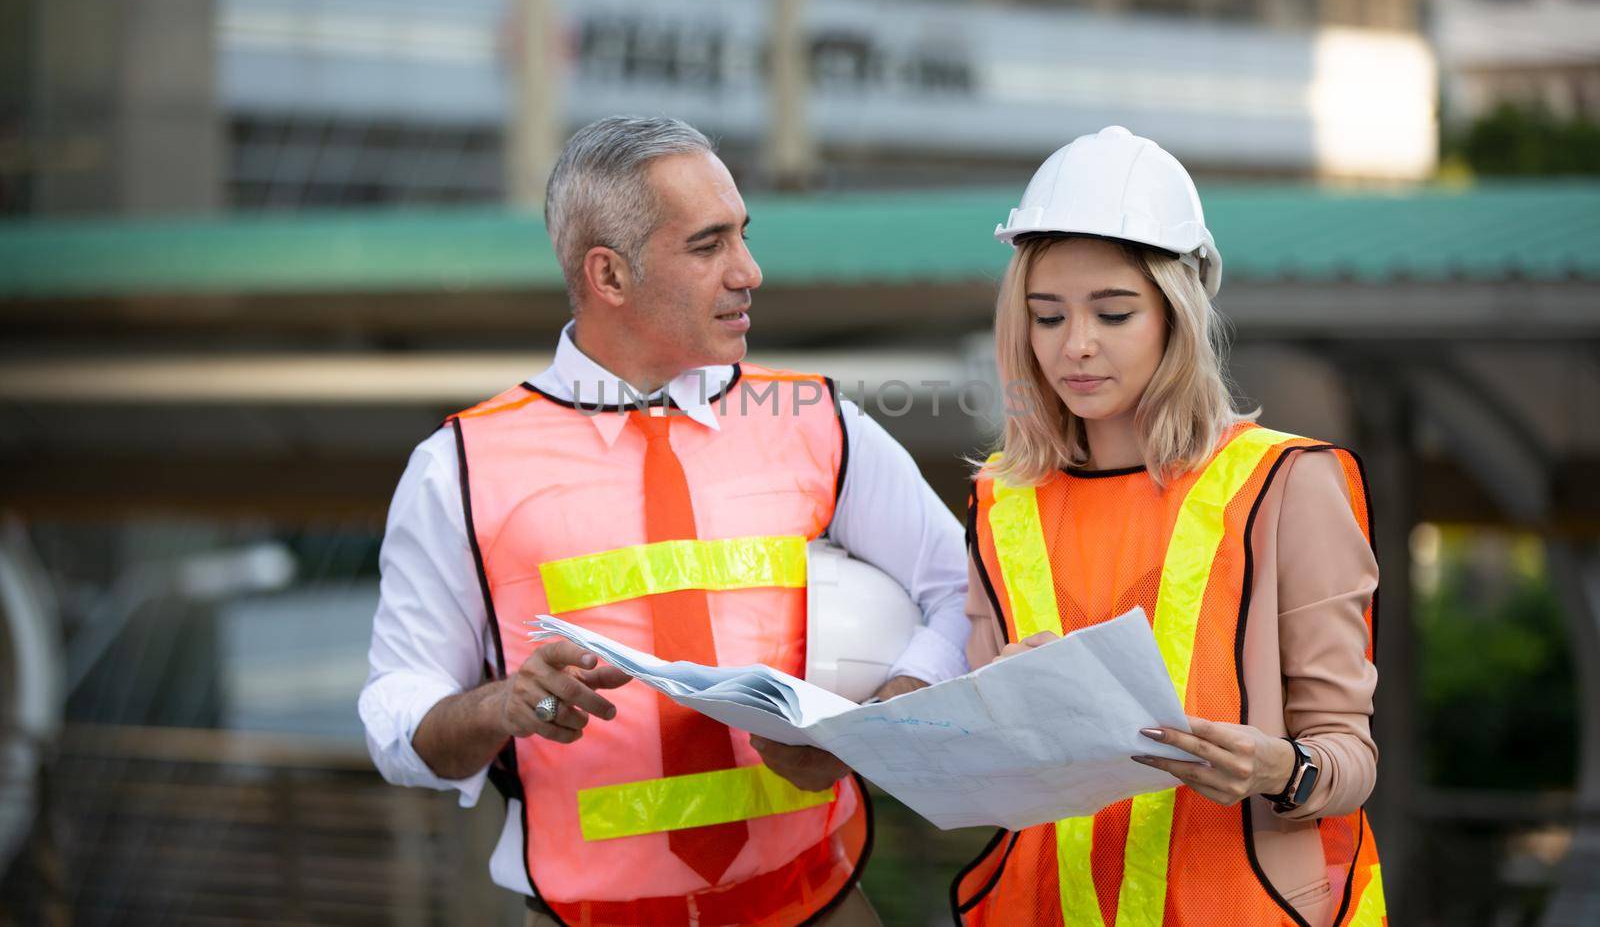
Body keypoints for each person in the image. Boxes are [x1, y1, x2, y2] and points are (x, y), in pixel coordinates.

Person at [358, 116, 969, 927]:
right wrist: (500, 706)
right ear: (609, 275)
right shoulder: (459, 467)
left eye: (743, 235)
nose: (749, 270)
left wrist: (874, 722)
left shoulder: (819, 418)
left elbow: (966, 588)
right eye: (708, 245)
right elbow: (396, 710)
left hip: (821, 906)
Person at [951, 127, 1385, 927]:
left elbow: (1350, 757)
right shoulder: (1001, 499)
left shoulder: (1286, 483)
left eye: (1113, 313)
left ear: (1176, 316)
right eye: (1047, 317)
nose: (1075, 346)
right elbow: (987, 774)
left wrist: (1277, 768)